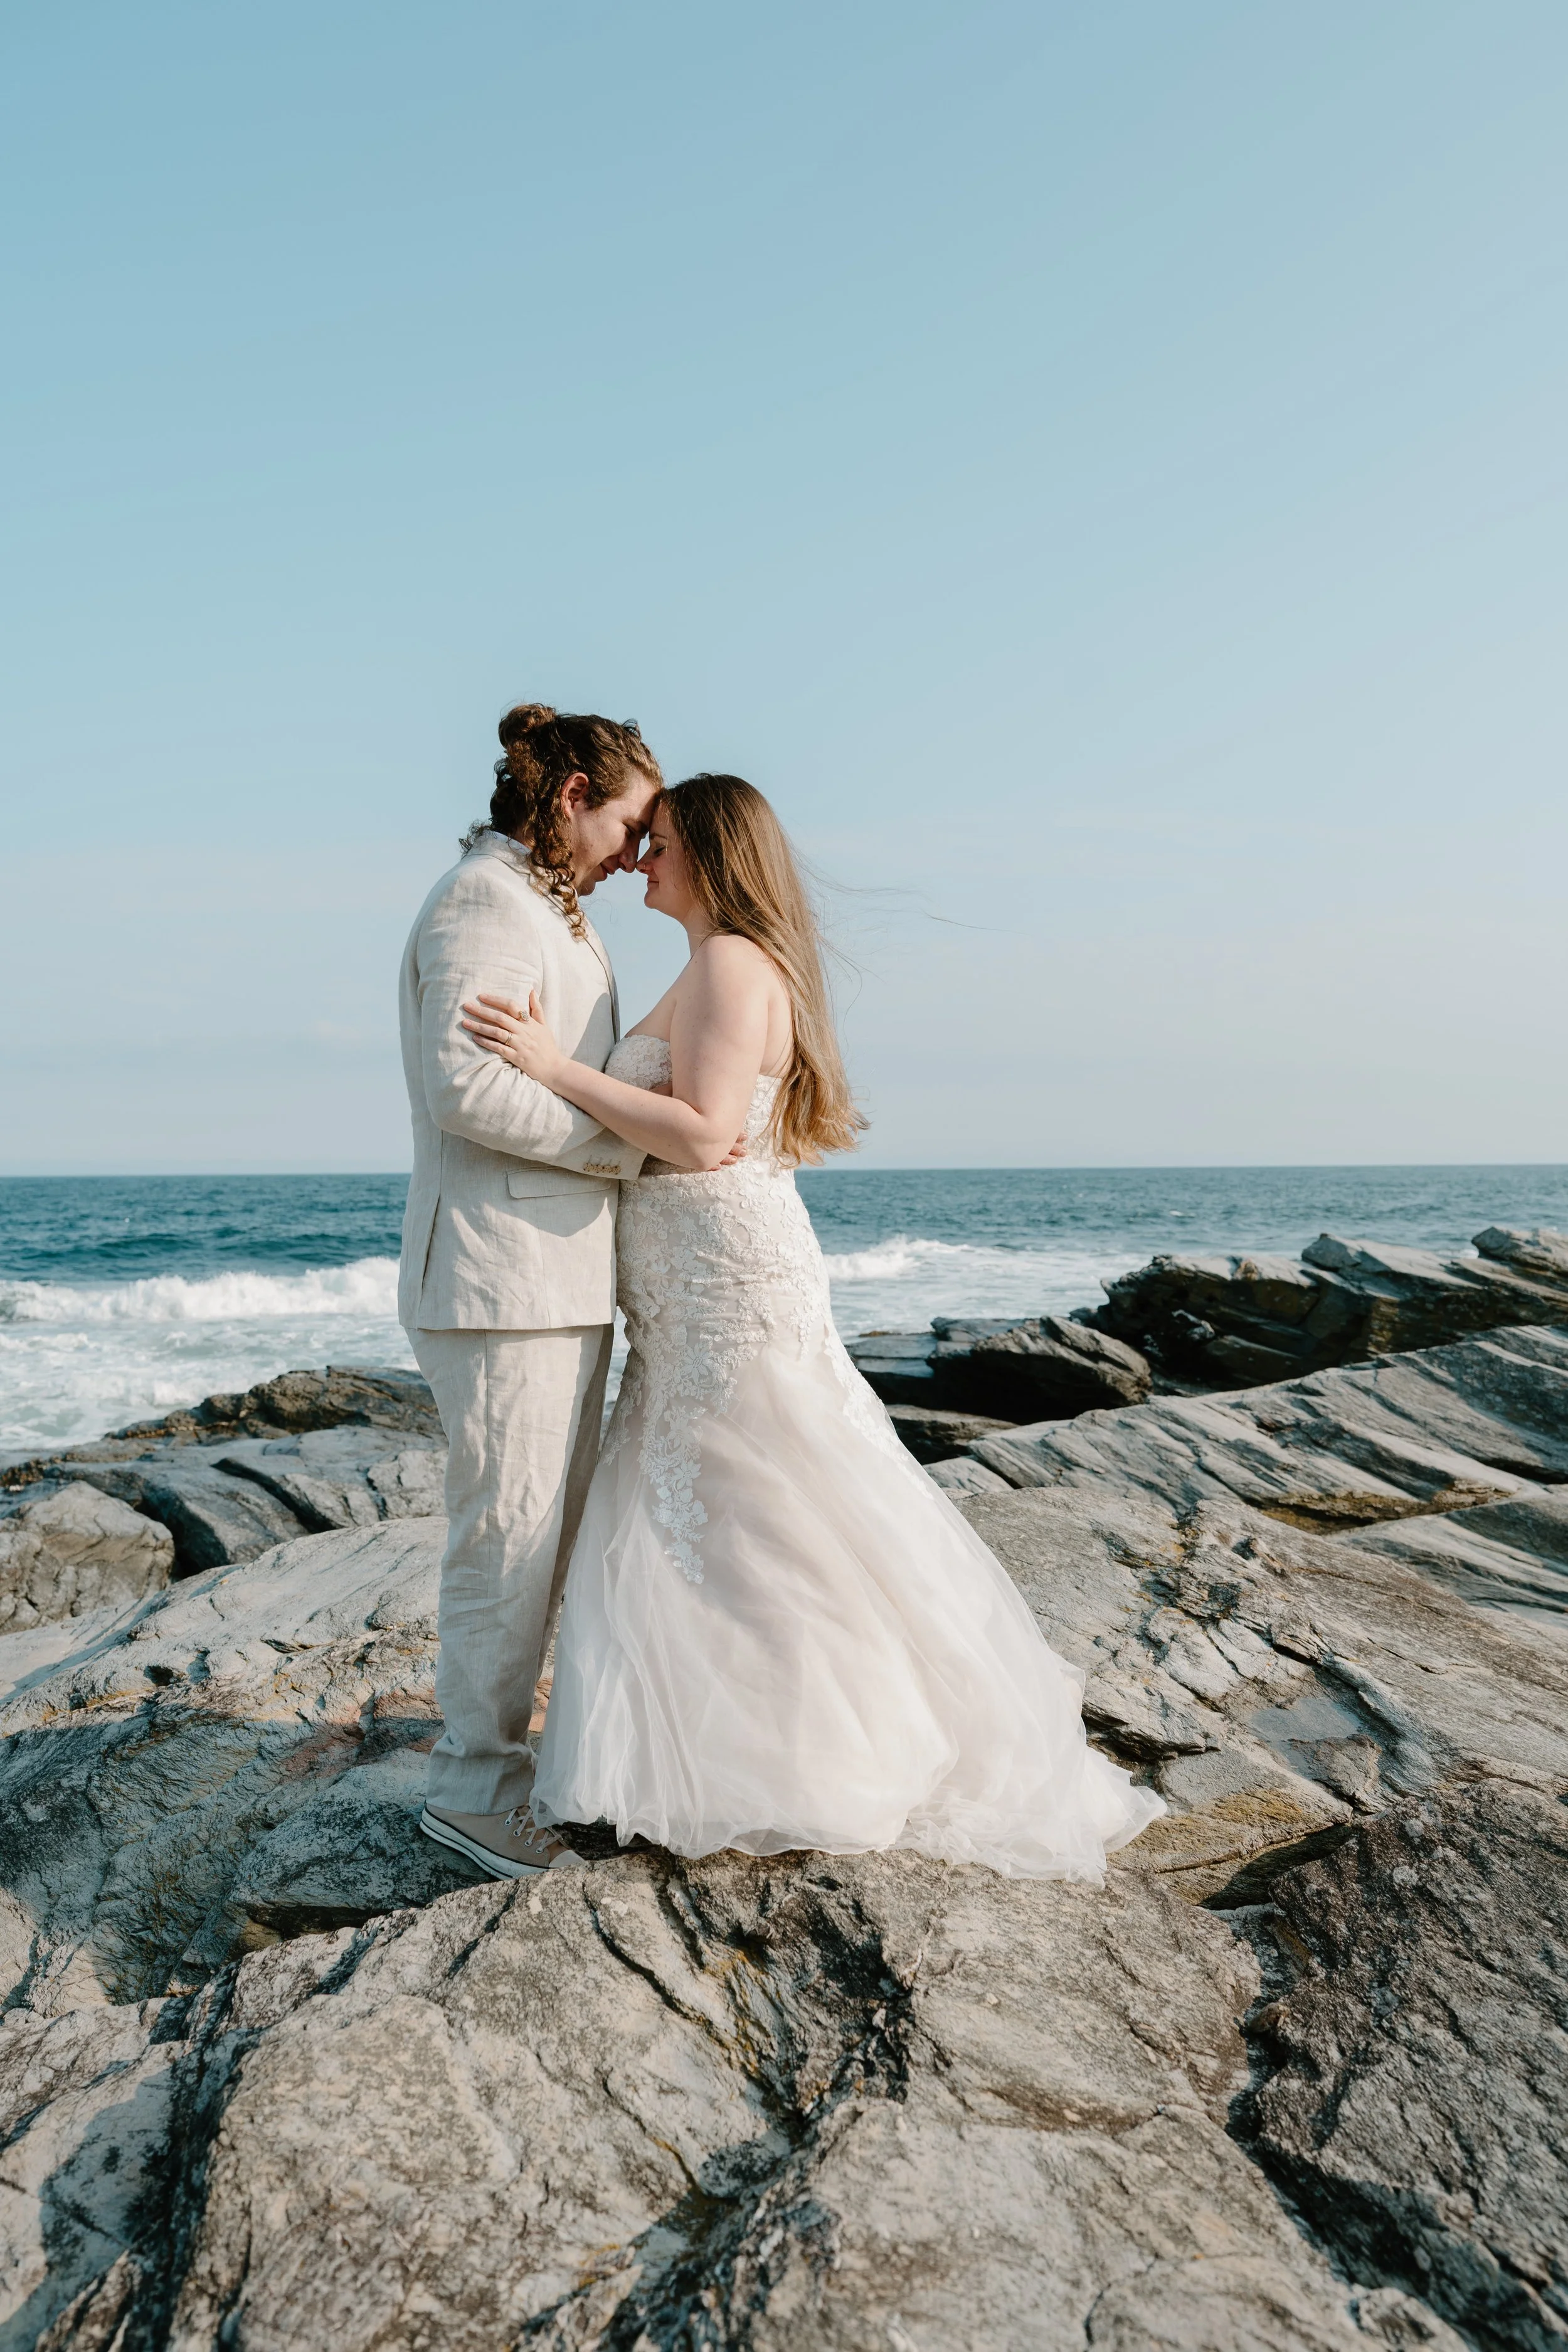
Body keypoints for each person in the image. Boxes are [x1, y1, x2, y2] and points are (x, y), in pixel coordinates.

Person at [458, 773, 1163, 1879]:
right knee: (736, 1509)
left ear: (715, 856)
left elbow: (698, 1136)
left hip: (728, 1276)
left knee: (776, 1499)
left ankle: (822, 1754)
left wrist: (553, 1070)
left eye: (662, 845)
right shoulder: (712, 963)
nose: (642, 860)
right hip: (691, 1283)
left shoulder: (734, 963)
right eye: (639, 842)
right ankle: (723, 1749)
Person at [398, 702, 664, 1879]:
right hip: (499, 1277)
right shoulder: (483, 902)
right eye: (627, 823)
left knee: (539, 1541)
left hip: (551, 1274)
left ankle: (508, 1768)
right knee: (504, 1538)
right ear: (569, 797)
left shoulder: (544, 904)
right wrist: (622, 1148)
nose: (635, 851)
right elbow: (466, 1087)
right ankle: (471, 1792)